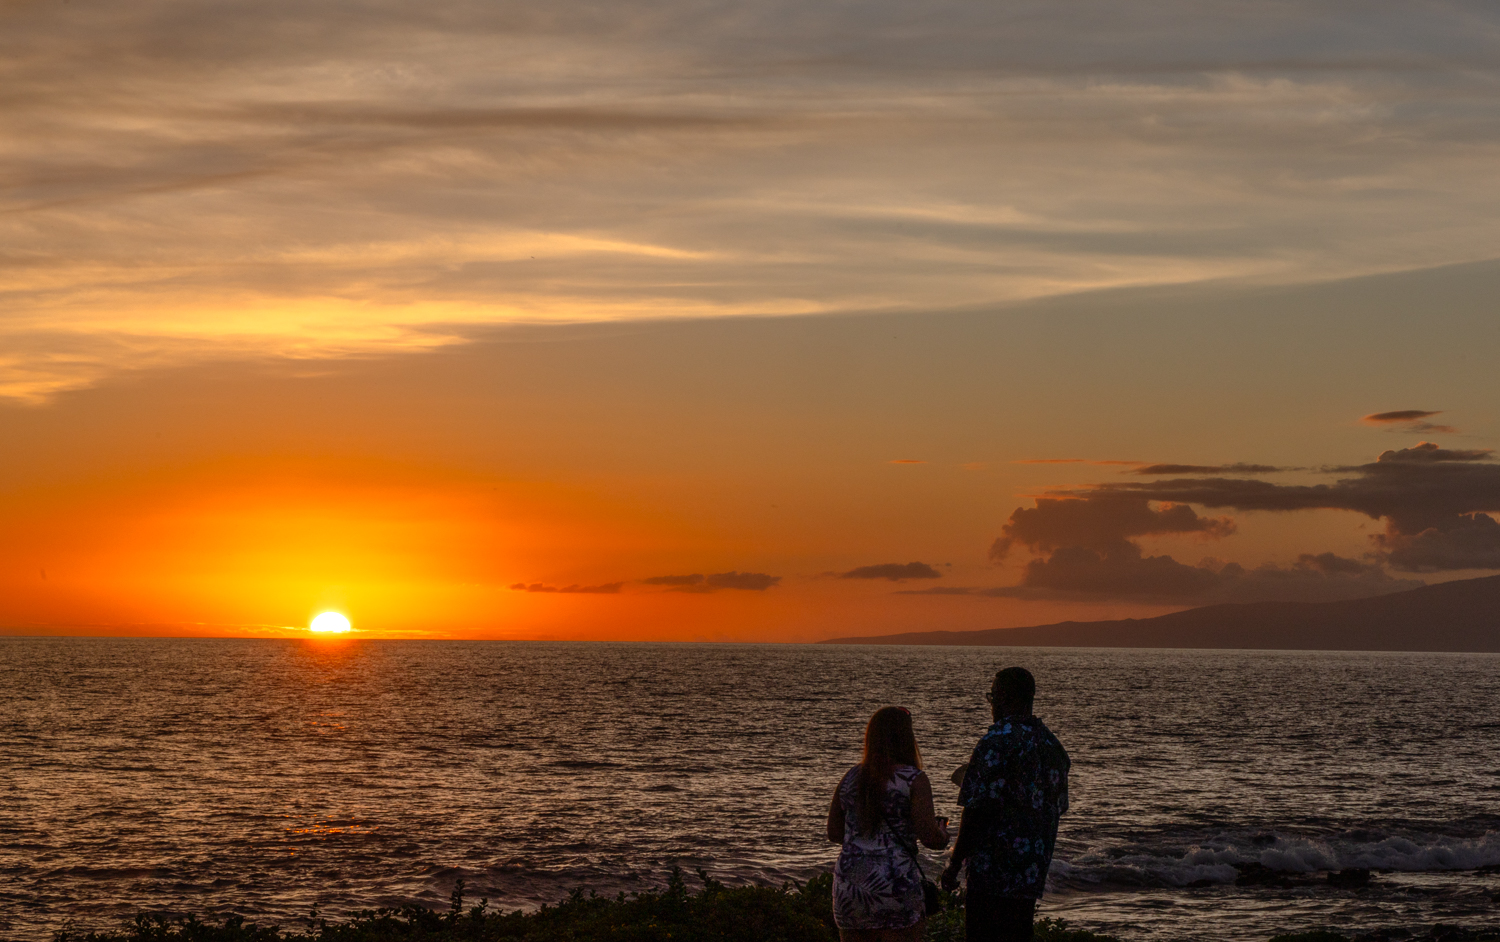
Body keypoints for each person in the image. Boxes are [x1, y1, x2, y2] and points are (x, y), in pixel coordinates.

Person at [940, 667, 1070, 942]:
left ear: (1004, 698)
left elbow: (976, 811)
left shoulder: (997, 741)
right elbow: (1057, 806)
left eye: (992, 697)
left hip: (992, 874)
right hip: (1031, 874)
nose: (991, 705)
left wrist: (953, 866)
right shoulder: (1052, 746)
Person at [826, 706, 951, 942]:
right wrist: (942, 832)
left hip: (850, 885)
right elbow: (930, 838)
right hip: (896, 883)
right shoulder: (914, 779)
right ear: (906, 738)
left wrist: (865, 839)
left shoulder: (851, 776)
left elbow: (834, 833)